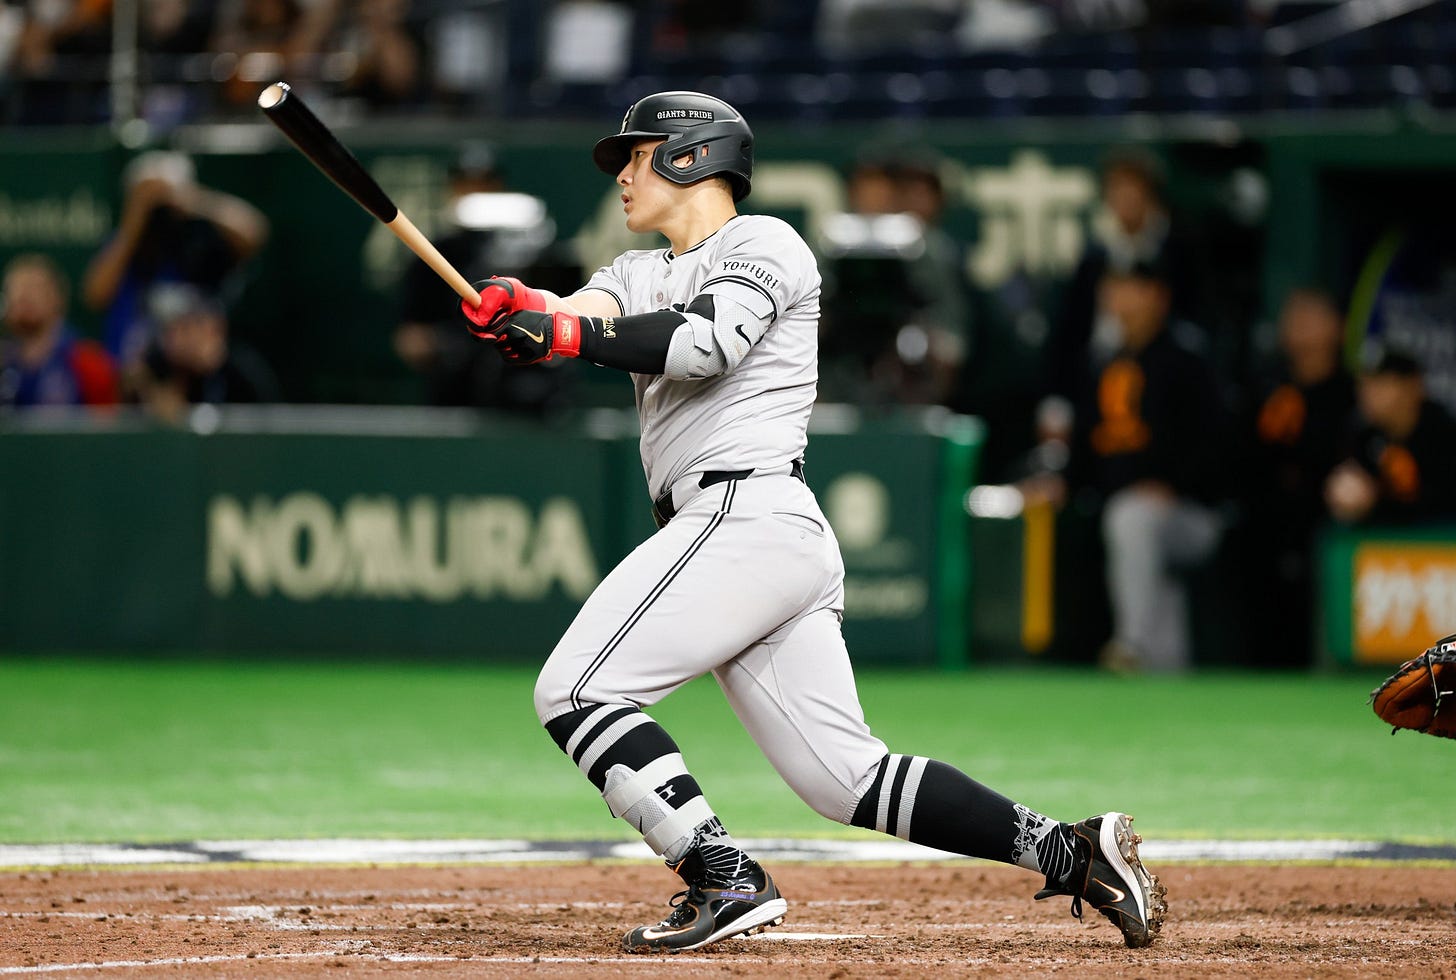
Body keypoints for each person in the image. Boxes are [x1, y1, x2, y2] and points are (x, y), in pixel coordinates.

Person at [459, 90, 1167, 954]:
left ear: (691, 157)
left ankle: (722, 875)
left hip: (744, 513)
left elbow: (700, 342)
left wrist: (559, 331)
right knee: (846, 778)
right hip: (748, 534)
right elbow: (584, 311)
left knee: (576, 690)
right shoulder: (636, 270)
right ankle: (1073, 850)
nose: (623, 175)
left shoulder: (767, 244)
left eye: (637, 155)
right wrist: (516, 305)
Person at [1027, 256, 1227, 673]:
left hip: (1195, 514)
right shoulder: (1102, 361)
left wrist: (1174, 485)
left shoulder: (1187, 359)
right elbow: (1084, 450)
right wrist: (1060, 481)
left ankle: (1130, 644)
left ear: (1158, 296)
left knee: (1131, 517)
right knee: (1141, 548)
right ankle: (1164, 679)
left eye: (1132, 289)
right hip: (1134, 517)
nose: (1121, 300)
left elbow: (1219, 446)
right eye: (1114, 289)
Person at [1236, 287, 1355, 666]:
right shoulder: (1267, 385)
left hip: (1322, 520)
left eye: (1311, 317)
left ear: (1337, 327)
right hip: (1265, 521)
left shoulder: (1351, 392)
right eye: (1293, 317)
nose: (1299, 327)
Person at [81, 150, 269, 373]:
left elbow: (254, 233)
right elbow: (95, 295)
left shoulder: (201, 243)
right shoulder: (126, 244)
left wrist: (191, 199)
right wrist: (138, 211)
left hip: (196, 377)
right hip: (132, 384)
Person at [1324, 343, 1456, 527]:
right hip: (1382, 546)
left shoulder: (1443, 433)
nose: (1368, 393)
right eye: (1363, 384)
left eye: (1381, 383)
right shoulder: (1361, 435)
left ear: (1413, 385)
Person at [132, 283, 280, 422]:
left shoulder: (241, 371)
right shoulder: (160, 363)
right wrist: (152, 392)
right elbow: (131, 379)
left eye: (185, 328)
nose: (174, 339)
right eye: (169, 330)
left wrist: (214, 368)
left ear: (212, 329)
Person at [1, 253, 118, 410]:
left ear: (57, 297)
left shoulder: (87, 361)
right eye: (15, 290)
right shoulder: (5, 360)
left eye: (34, 288)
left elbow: (110, 426)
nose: (23, 296)